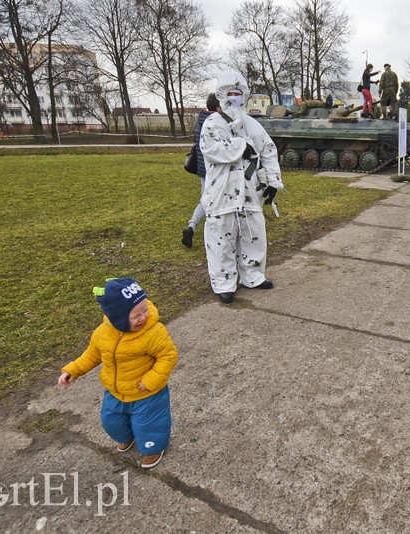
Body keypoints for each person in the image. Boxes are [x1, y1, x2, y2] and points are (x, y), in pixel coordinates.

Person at [58, 278, 178, 469]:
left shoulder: (153, 332)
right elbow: (92, 354)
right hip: (115, 391)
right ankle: (126, 436)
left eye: (145, 310)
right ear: (117, 317)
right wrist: (73, 370)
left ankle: (152, 448)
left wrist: (152, 380)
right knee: (111, 422)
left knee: (149, 425)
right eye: (136, 315)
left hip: (147, 393)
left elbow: (168, 355)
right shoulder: (102, 333)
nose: (143, 317)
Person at [199, 80, 284, 304]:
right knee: (221, 237)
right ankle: (224, 282)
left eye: (237, 93)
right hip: (222, 191)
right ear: (221, 96)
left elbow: (268, 150)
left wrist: (273, 182)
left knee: (253, 233)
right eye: (229, 93)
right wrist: (240, 146)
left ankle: (253, 275)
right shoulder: (212, 123)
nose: (233, 97)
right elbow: (211, 150)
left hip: (249, 191)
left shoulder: (252, 124)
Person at [182, 93, 221, 248]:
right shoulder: (215, 123)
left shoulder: (200, 121)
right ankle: (207, 231)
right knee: (213, 201)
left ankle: (191, 226)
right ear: (218, 107)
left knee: (204, 199)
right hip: (214, 169)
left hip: (202, 169)